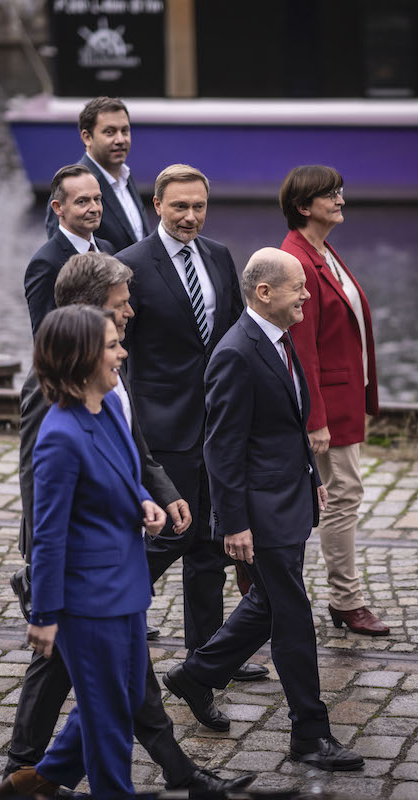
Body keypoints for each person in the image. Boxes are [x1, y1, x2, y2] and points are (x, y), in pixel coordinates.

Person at [6, 253, 254, 795]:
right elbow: (41, 489)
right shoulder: (52, 400)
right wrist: (46, 584)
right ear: (92, 317)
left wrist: (153, 496)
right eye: (120, 308)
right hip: (76, 568)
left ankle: (37, 778)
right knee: (90, 691)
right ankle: (27, 770)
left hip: (117, 567)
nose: (131, 314)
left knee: (114, 690)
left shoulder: (108, 377)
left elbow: (127, 447)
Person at [163, 248, 364, 772]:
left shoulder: (279, 337)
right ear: (264, 292)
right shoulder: (236, 352)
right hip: (261, 509)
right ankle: (309, 733)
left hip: (289, 494)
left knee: (269, 604)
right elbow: (221, 446)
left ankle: (197, 673)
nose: (306, 295)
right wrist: (234, 523)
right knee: (292, 613)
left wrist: (313, 478)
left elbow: (289, 422)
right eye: (298, 287)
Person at [0, 305, 167, 799]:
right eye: (112, 346)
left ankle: (41, 778)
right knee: (109, 719)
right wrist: (44, 615)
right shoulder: (59, 437)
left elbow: (124, 471)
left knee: (126, 696)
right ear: (82, 357)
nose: (122, 352)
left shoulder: (108, 404)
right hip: (86, 601)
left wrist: (145, 501)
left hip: (126, 583)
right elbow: (48, 535)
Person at [118, 164, 268, 681]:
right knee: (174, 535)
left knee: (210, 545)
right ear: (156, 205)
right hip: (163, 429)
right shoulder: (130, 265)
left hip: (218, 425)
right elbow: (118, 354)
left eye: (198, 206)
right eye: (179, 206)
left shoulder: (221, 257)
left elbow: (231, 337)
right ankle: (99, 602)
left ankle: (207, 661)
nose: (190, 216)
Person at [279, 165, 389, 636]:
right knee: (342, 496)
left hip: (343, 397)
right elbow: (300, 350)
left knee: (337, 495)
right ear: (305, 206)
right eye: (331, 193)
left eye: (341, 190)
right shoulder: (296, 261)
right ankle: (346, 600)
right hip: (327, 407)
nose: (341, 199)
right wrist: (314, 419)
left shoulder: (322, 251)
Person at [45, 96, 150, 251]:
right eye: (110, 132)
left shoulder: (126, 176)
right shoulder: (70, 186)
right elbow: (62, 255)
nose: (120, 139)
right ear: (87, 137)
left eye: (125, 131)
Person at [25, 164, 114, 336]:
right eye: (82, 201)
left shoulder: (107, 248)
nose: (94, 208)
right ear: (58, 208)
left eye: (97, 199)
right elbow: (46, 338)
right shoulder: (45, 263)